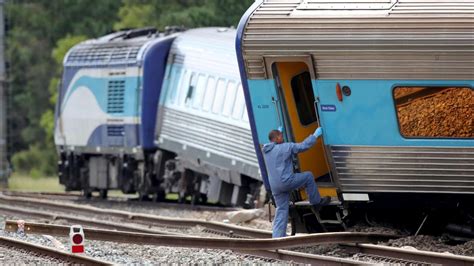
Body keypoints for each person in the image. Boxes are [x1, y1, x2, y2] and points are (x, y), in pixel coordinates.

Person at [262, 127, 331, 238]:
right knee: (308, 176)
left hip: (275, 186)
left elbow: (276, 147)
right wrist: (314, 136)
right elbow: (303, 146)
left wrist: (279, 133)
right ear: (278, 138)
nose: (283, 138)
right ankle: (316, 202)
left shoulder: (266, 150)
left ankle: (277, 238)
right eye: (281, 136)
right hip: (287, 181)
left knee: (281, 209)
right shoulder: (286, 147)